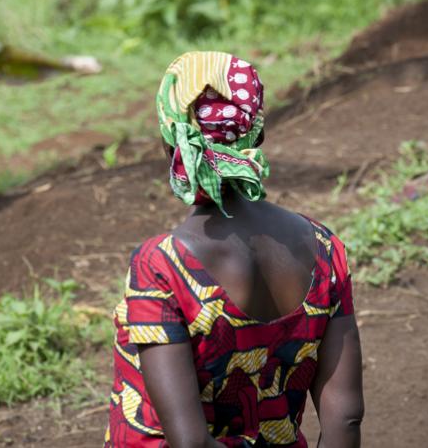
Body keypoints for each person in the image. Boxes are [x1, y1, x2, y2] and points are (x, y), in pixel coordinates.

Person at [105, 52, 364, 447]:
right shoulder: (324, 250)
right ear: (256, 133)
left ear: (169, 138)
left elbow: (189, 442)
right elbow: (345, 417)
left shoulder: (163, 266)